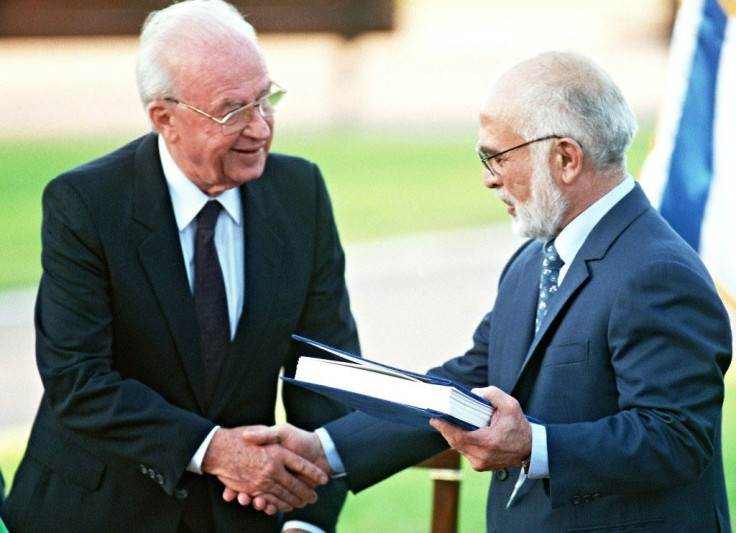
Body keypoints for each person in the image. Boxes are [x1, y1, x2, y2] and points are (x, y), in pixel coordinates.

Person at [239, 51, 733, 532]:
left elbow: (678, 439)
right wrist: (323, 449)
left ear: (565, 157)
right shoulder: (532, 261)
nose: (487, 178)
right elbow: (463, 386)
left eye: (496, 156)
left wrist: (534, 445)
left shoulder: (658, 272)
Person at [0, 1, 359, 532]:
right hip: (97, 511)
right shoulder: (87, 203)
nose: (260, 129)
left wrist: (307, 519)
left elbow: (327, 372)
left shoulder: (299, 193)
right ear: (165, 119)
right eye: (233, 110)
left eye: (266, 100)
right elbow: (78, 379)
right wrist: (214, 450)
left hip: (244, 517)